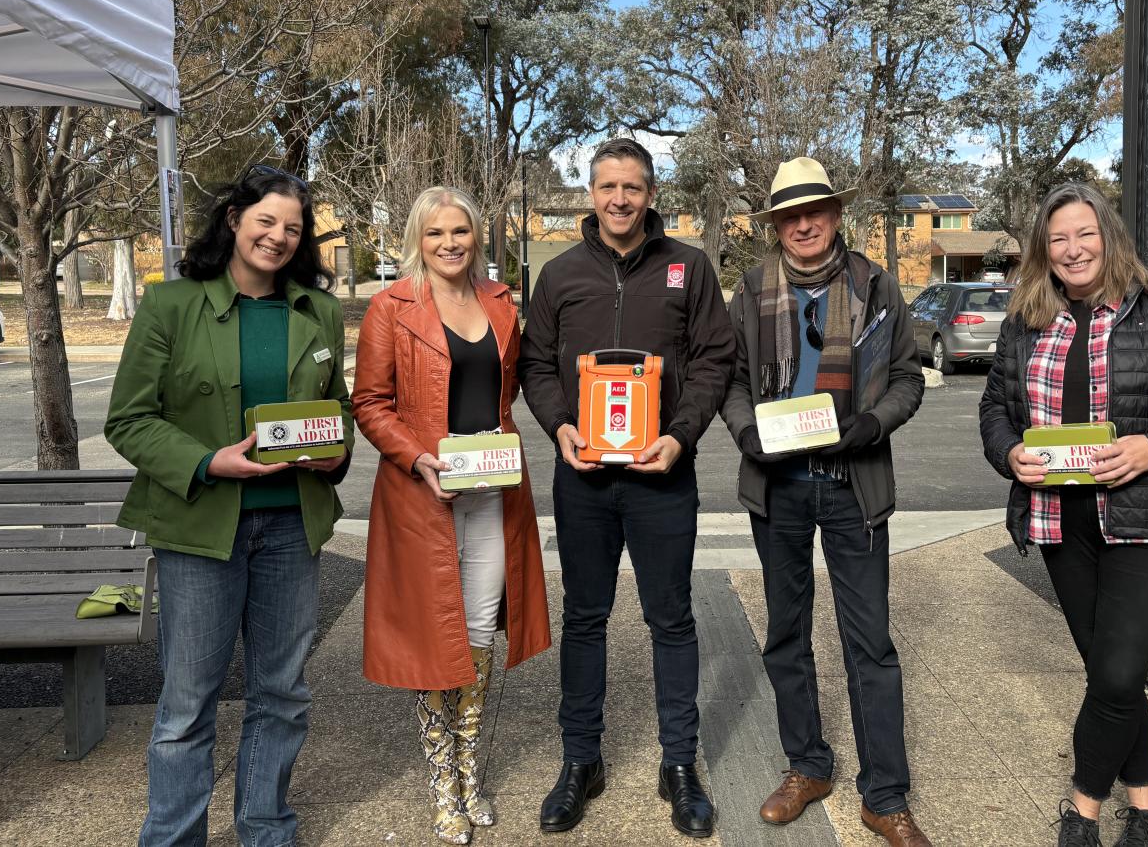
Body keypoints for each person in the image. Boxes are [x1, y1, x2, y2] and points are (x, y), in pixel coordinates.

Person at [979, 183, 1148, 847]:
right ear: (1045, 250)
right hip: (1060, 524)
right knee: (1111, 674)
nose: (1072, 250)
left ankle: (1082, 811)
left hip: (1147, 520)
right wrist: (1010, 453)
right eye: (1058, 239)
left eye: (1085, 235)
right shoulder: (1028, 318)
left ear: (1110, 237)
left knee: (1120, 673)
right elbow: (994, 408)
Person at [105, 164, 353, 846]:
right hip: (200, 529)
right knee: (188, 704)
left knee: (282, 694)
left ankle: (265, 827)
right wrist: (209, 460)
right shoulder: (170, 304)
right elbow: (128, 420)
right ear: (233, 221)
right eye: (266, 220)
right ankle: (173, 836)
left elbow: (337, 408)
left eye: (292, 228)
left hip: (289, 527)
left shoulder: (317, 310)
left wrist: (338, 448)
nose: (277, 236)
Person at [517, 136, 735, 839]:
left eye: (632, 188)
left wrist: (681, 435)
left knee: (670, 620)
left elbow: (714, 360)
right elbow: (534, 366)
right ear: (591, 193)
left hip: (661, 479)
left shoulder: (688, 267)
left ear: (650, 194)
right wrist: (558, 427)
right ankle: (581, 761)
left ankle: (680, 766)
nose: (619, 199)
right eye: (607, 187)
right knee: (584, 618)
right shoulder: (558, 275)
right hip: (583, 479)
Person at [720, 157, 932, 847]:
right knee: (787, 633)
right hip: (779, 487)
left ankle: (885, 794)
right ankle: (808, 765)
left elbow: (907, 377)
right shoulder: (751, 292)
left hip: (852, 487)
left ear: (835, 215)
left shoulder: (875, 286)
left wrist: (873, 424)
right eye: (789, 214)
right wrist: (747, 431)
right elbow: (726, 379)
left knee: (869, 642)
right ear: (775, 224)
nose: (803, 224)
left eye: (814, 211)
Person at [352, 187, 550, 845]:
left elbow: (509, 387)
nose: (449, 243)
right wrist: (418, 459)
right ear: (418, 237)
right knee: (436, 642)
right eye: (435, 233)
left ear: (476, 235)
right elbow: (371, 404)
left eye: (460, 230)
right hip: (422, 499)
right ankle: (445, 786)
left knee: (477, 637)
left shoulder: (498, 304)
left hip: (491, 490)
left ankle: (470, 773)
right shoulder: (390, 307)